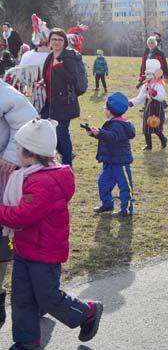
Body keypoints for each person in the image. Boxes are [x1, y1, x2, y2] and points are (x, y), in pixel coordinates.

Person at [0, 119, 103, 347]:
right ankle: (26, 343)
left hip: (44, 253)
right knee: (22, 300)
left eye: (17, 148)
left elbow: (23, 215)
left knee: (48, 298)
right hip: (26, 249)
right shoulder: (29, 174)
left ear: (31, 154)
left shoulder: (44, 182)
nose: (14, 152)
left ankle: (88, 312)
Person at [0, 79, 37, 328]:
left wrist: (12, 155)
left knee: (1, 238)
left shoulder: (4, 92)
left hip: (1, 170)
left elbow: (27, 118)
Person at [41, 28, 85, 166]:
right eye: (54, 39)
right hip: (49, 101)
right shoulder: (50, 56)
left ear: (65, 42)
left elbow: (74, 80)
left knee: (62, 134)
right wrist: (42, 82)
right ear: (49, 41)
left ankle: (67, 164)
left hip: (64, 102)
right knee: (45, 130)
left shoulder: (68, 57)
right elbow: (49, 76)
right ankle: (65, 154)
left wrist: (60, 67)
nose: (57, 42)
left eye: (60, 39)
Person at [89, 92, 136, 216]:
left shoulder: (118, 125)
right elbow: (108, 137)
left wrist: (100, 133)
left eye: (105, 109)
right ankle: (107, 204)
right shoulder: (114, 123)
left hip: (120, 163)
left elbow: (113, 137)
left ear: (110, 111)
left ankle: (126, 209)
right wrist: (96, 134)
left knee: (125, 187)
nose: (105, 111)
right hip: (110, 162)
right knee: (103, 182)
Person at [130, 59, 168, 151]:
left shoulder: (159, 85)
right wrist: (131, 102)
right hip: (148, 107)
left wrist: (155, 94)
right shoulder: (146, 85)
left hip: (157, 108)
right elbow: (140, 97)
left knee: (156, 126)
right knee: (146, 126)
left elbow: (162, 97)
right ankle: (149, 145)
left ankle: (163, 139)